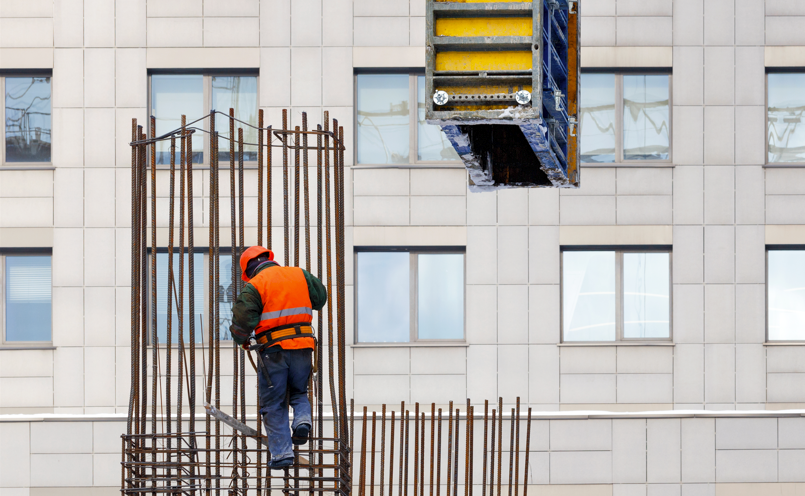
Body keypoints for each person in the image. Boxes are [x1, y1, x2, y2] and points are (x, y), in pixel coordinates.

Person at [230, 246, 327, 469]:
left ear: (249, 270)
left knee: (273, 404)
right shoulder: (299, 274)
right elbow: (320, 299)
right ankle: (302, 420)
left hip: (273, 350)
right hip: (304, 345)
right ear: (269, 259)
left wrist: (241, 339)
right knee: (299, 391)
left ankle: (282, 453)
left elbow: (242, 320)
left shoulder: (255, 285)